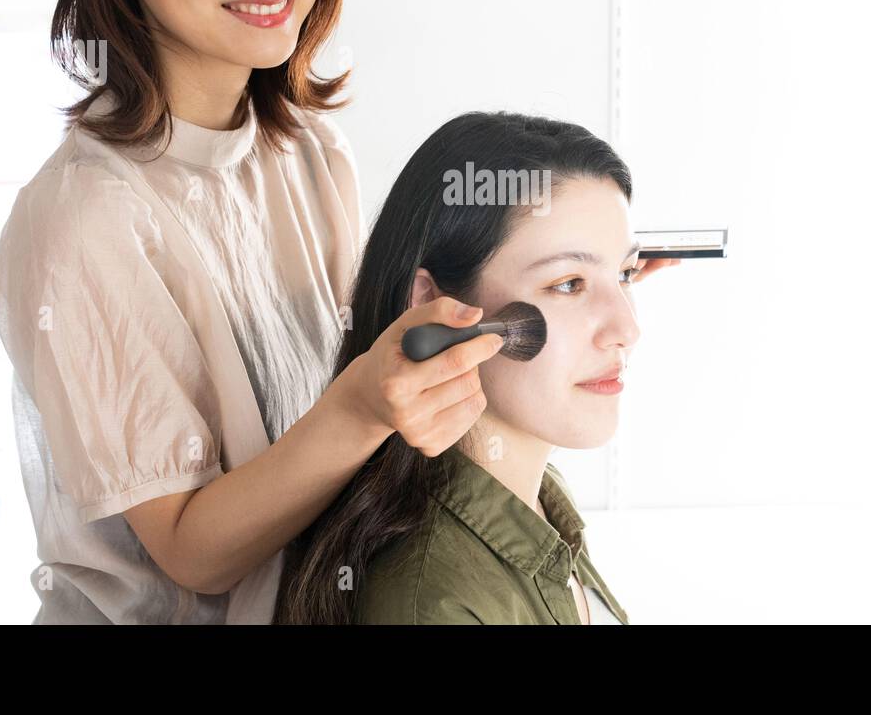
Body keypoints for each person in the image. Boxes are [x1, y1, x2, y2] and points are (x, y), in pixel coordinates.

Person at [0, 0, 507, 624]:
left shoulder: (310, 153)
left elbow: (374, 362)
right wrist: (362, 405)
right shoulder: (84, 216)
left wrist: (547, 285)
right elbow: (195, 550)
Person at [276, 111, 662, 624]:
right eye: (568, 283)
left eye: (625, 273)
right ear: (433, 306)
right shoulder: (433, 604)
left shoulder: (543, 501)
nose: (627, 329)